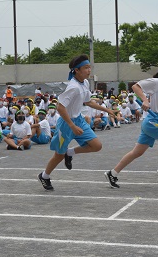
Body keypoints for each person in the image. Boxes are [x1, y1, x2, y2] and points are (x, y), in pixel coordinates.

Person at [37, 54, 114, 191]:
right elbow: (60, 107)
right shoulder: (73, 87)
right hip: (67, 124)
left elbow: (88, 102)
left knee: (96, 145)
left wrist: (106, 109)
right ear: (76, 70)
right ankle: (45, 176)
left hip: (78, 120)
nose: (89, 70)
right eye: (86, 68)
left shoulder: (84, 83)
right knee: (58, 155)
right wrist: (72, 126)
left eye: (89, 67)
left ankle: (70, 153)